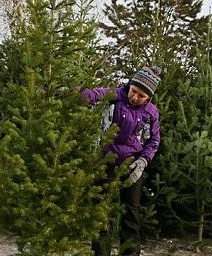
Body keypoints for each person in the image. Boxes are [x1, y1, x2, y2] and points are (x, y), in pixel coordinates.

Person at [81, 66, 162, 256]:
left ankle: (130, 253)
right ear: (130, 85)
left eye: (141, 95)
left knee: (130, 214)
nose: (135, 97)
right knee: (101, 212)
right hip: (105, 161)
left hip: (132, 166)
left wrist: (142, 162)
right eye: (134, 91)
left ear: (148, 97)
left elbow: (154, 140)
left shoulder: (151, 113)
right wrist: (75, 94)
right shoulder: (114, 96)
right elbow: (93, 95)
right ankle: (100, 252)